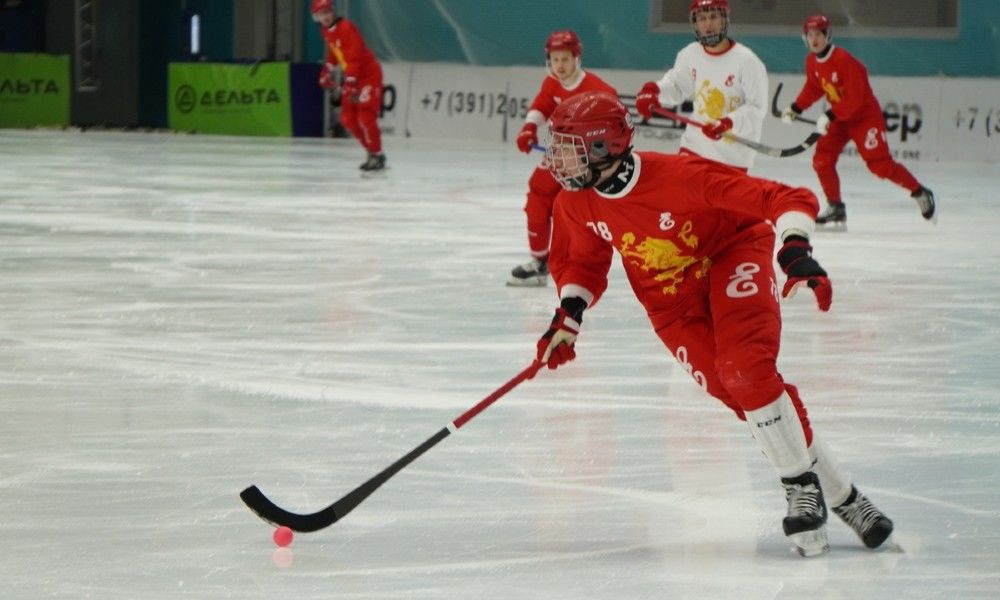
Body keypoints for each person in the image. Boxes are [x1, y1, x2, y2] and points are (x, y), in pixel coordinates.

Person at [531, 90, 895, 557]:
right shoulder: (575, 202)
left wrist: (795, 249)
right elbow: (583, 263)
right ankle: (845, 498)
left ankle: (799, 485)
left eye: (570, 148)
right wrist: (569, 315)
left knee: (747, 370)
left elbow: (784, 197)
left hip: (730, 254)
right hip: (669, 306)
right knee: (744, 396)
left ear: (604, 148)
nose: (557, 160)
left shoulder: (680, 177)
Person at [780, 14, 935, 227]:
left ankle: (920, 191)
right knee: (822, 160)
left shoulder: (844, 60)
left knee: (880, 166)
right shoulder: (812, 61)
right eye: (810, 34)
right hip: (840, 118)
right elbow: (815, 87)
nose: (814, 39)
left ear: (828, 36)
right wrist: (796, 107)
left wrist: (830, 115)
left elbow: (855, 98)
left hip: (863, 117)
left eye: (819, 34)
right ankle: (836, 208)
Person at [508, 30, 618, 287]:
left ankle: (585, 265)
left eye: (565, 59)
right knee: (537, 196)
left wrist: (598, 157)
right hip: (559, 154)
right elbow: (542, 105)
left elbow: (614, 124)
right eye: (555, 60)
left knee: (581, 211)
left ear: (577, 58)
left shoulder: (599, 90)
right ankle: (539, 262)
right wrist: (529, 127)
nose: (560, 65)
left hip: (587, 161)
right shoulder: (551, 83)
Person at [634, 0, 767, 172]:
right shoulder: (690, 54)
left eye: (713, 16)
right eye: (702, 18)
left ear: (724, 19)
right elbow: (677, 86)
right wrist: (655, 92)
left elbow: (757, 108)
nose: (708, 23)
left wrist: (729, 122)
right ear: (695, 24)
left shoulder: (748, 62)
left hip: (731, 159)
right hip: (694, 147)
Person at [311, 0, 386, 172]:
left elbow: (355, 57)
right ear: (316, 17)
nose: (326, 16)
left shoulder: (346, 28)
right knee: (348, 119)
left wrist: (350, 82)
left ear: (333, 11)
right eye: (321, 14)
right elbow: (335, 53)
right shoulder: (327, 31)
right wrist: (327, 70)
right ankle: (371, 150)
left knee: (366, 116)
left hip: (367, 76)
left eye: (328, 11)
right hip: (353, 77)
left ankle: (377, 153)